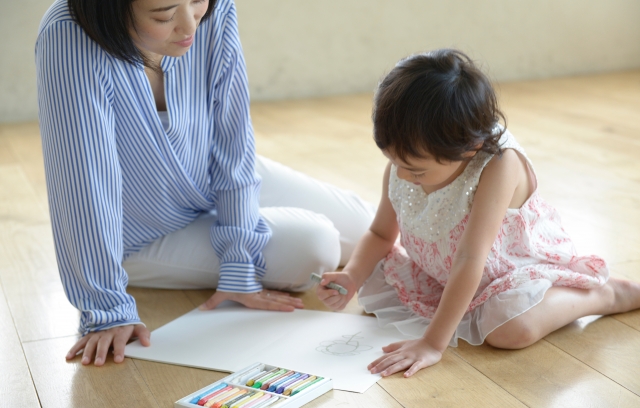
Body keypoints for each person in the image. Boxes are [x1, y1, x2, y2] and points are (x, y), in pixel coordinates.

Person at [35, 0, 375, 367]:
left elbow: (233, 132)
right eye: (164, 15)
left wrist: (239, 260)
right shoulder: (67, 36)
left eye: (197, 2)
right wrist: (107, 307)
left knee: (366, 228)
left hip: (205, 174)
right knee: (317, 245)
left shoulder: (213, 10)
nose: (190, 26)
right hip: (140, 229)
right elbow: (85, 186)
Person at [316, 49, 640, 378]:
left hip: (508, 272)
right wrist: (352, 276)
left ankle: (605, 293)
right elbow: (382, 234)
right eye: (395, 162)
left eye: (414, 170)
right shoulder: (409, 157)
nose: (400, 176)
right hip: (444, 272)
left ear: (468, 148)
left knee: (512, 330)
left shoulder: (499, 164)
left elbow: (471, 259)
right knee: (374, 275)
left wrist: (431, 343)